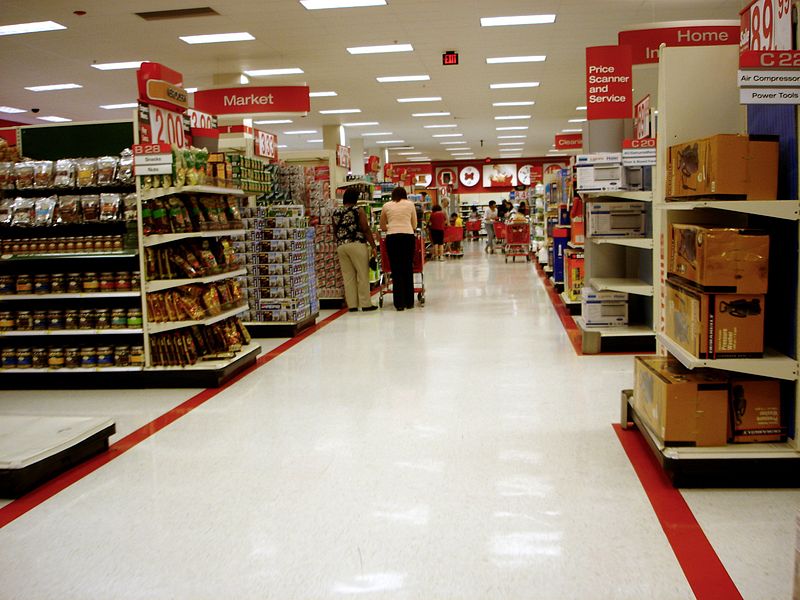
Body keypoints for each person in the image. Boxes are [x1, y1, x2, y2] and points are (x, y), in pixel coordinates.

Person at [333, 187, 378, 312]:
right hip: (357, 244)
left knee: (348, 276)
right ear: (355, 198)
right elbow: (365, 229)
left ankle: (352, 305)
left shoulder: (336, 212)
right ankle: (365, 304)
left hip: (342, 246)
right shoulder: (358, 210)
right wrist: (373, 246)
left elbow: (335, 230)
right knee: (362, 275)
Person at [380, 186, 418, 311]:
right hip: (408, 237)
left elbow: (382, 226)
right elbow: (414, 225)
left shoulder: (386, 206)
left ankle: (399, 303)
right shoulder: (410, 204)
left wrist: (391, 226)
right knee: (407, 267)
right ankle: (409, 302)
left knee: (396, 270)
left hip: (392, 238)